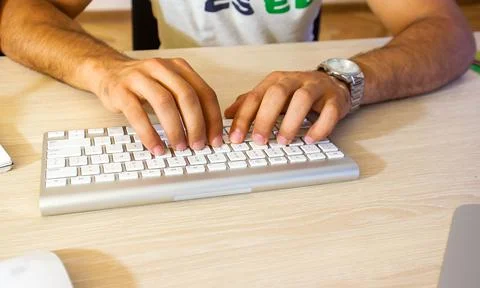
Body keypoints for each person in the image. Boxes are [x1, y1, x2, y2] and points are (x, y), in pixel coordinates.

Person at [0, 0, 476, 156]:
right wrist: (103, 69)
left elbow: (447, 31)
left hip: (289, 114)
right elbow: (19, 16)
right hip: (163, 108)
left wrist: (346, 78)